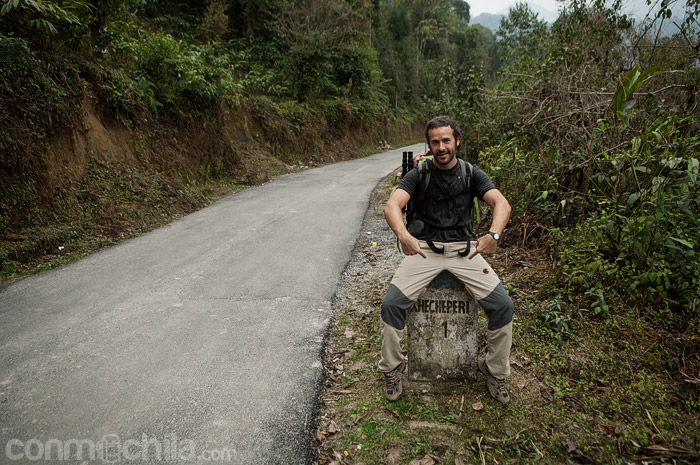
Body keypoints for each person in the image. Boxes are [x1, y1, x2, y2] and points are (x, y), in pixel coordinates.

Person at [379, 116, 514, 405]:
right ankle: (392, 369)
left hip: (465, 251)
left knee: (502, 305)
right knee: (391, 305)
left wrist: (494, 235)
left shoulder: (470, 173)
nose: (441, 147)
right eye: (435, 142)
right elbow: (392, 204)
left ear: (457, 141)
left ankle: (495, 371)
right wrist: (404, 235)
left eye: (446, 140)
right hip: (425, 249)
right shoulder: (418, 174)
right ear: (429, 145)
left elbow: (501, 203)